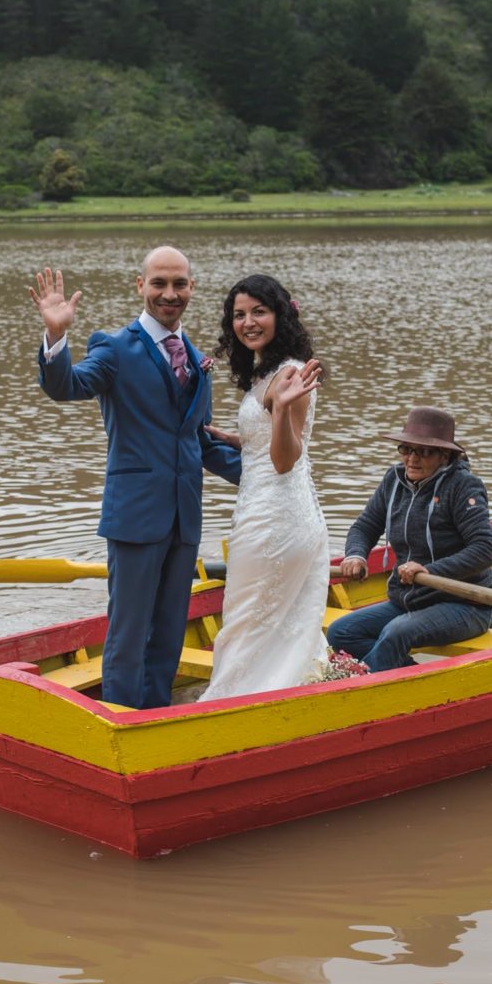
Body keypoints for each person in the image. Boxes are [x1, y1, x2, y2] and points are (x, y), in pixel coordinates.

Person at [33, 247, 242, 709]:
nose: (170, 294)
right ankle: (121, 719)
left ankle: (155, 716)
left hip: (185, 517)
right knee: (128, 633)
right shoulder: (114, 347)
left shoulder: (197, 358)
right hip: (135, 514)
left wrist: (265, 480)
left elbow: (200, 441)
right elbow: (67, 386)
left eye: (179, 284)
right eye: (159, 283)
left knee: (169, 630)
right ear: (140, 286)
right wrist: (55, 335)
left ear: (192, 288)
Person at [199, 274, 330, 700]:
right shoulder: (269, 373)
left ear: (279, 315)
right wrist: (230, 437)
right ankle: (269, 697)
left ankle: (232, 703)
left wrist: (281, 414)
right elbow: (266, 445)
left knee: (246, 618)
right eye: (239, 314)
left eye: (259, 311)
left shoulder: (289, 374)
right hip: (270, 510)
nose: (248, 322)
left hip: (276, 519)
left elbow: (284, 459)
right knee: (257, 616)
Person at [328, 407, 492, 673]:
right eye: (406, 449)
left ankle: (357, 686)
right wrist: (355, 555)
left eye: (424, 451)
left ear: (445, 455)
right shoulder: (393, 481)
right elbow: (365, 525)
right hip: (409, 599)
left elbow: (484, 550)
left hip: (464, 604)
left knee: (396, 633)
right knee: (342, 632)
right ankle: (410, 674)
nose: (412, 459)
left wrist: (429, 569)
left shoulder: (463, 486)